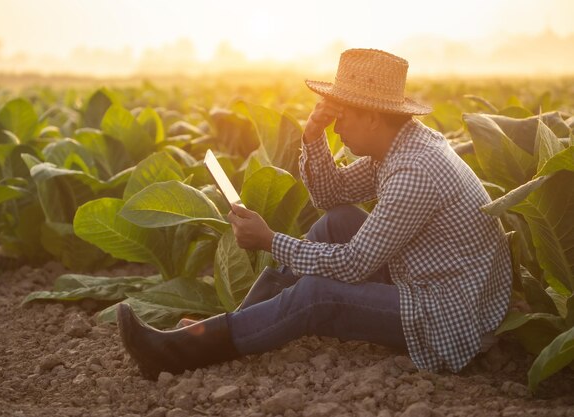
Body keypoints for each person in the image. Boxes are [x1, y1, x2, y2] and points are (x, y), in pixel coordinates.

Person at [117, 48, 513, 380]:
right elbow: (331, 195)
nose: (336, 124)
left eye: (343, 114)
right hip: (429, 277)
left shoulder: (414, 171)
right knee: (337, 221)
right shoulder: (398, 145)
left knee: (315, 296)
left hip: (448, 316)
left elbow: (355, 265)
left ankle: (176, 353)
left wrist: (270, 240)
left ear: (373, 117)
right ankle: (222, 329)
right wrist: (312, 135)